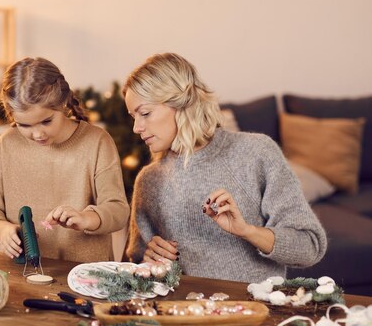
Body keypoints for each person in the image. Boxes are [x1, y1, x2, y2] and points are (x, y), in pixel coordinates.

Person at [123, 53, 327, 283]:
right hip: (185, 313)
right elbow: (136, 267)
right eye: (133, 116)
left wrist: (246, 231)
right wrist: (148, 258)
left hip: (254, 310)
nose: (136, 127)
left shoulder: (256, 153)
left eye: (145, 113)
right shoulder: (149, 180)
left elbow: (310, 246)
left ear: (181, 103)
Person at [0, 57, 130, 263]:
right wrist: (2, 230)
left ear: (63, 103)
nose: (38, 134)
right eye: (24, 125)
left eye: (46, 121)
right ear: (12, 114)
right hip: (24, 274)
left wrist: (86, 219)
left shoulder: (97, 142)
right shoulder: (6, 145)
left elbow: (118, 210)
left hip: (86, 276)